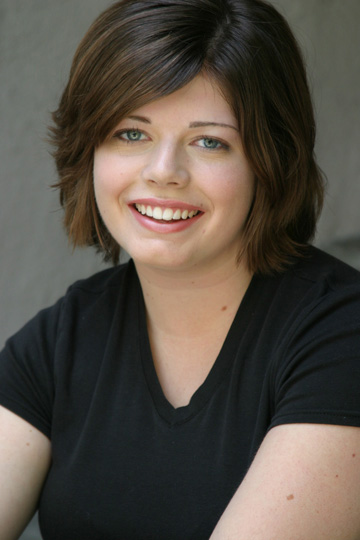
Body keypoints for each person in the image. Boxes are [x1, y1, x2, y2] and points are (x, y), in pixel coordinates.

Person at [1, 0, 360, 538]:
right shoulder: (62, 339)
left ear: (271, 160)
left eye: (210, 141)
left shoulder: (340, 335)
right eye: (131, 133)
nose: (163, 172)